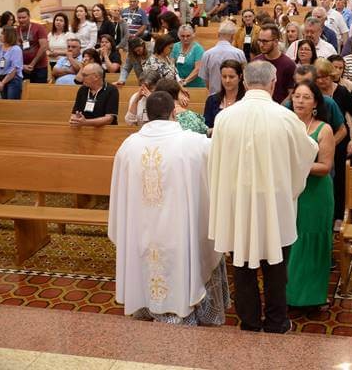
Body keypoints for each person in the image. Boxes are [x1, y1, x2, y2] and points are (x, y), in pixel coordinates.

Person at [208, 61, 319, 333]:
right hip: (274, 203)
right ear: (272, 84)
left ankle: (249, 321)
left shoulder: (225, 117)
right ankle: (277, 321)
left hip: (238, 203)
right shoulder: (285, 117)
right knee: (276, 267)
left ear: (244, 83)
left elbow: (215, 162)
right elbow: (308, 152)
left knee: (243, 266)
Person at [108, 90, 229, 325]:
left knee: (145, 260)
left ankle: (146, 308)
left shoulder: (128, 146)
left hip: (141, 229)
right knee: (182, 264)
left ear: (147, 114)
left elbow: (119, 192)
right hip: (179, 231)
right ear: (174, 112)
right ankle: (189, 310)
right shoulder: (193, 143)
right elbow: (218, 168)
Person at [285, 81, 335, 309]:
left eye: (306, 97)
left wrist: (297, 165)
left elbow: (325, 167)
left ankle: (312, 297)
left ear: (315, 102)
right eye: (297, 96)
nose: (300, 101)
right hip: (289, 192)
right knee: (290, 242)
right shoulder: (284, 126)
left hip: (315, 194)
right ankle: (290, 295)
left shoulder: (323, 129)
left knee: (311, 242)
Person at [313, 58, 352, 224]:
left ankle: (338, 216)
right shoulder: (312, 94)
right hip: (316, 141)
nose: (322, 81)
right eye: (318, 77)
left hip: (339, 141)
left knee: (338, 179)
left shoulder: (341, 92)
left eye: (325, 77)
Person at [199, 21, 245, 93]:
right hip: (235, 97)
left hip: (214, 96)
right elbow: (243, 77)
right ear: (233, 36)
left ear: (218, 35)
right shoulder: (239, 53)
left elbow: (205, 80)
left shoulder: (207, 54)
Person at [253, 24, 295, 103]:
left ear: (276, 42)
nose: (261, 45)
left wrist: (277, 109)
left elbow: (291, 93)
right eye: (259, 41)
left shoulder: (288, 65)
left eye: (265, 41)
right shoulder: (255, 62)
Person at [203, 60, 246, 130]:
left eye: (231, 77)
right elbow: (206, 126)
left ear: (240, 77)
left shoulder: (246, 100)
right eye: (224, 76)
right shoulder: (212, 100)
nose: (227, 80)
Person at [14, 8, 49, 83]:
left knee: (39, 91)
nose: (21, 20)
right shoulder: (16, 30)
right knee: (22, 92)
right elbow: (14, 50)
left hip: (39, 67)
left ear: (29, 17)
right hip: (22, 67)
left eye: (24, 17)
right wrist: (22, 65)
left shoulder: (39, 28)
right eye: (19, 18)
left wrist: (32, 64)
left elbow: (44, 47)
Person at [0, 26, 24, 100]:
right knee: (4, 102)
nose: (0, 35)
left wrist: (2, 83)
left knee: (11, 103)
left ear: (9, 35)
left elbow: (14, 69)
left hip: (12, 79)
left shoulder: (16, 49)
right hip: (0, 77)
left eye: (3, 34)